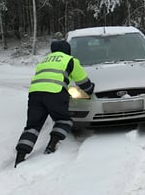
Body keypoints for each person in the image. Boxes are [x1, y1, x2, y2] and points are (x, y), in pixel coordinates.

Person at [14, 40, 94, 168]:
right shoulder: (70, 60)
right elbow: (83, 81)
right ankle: (52, 145)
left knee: (33, 126)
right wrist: (90, 89)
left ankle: (20, 156)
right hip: (55, 93)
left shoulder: (45, 60)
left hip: (35, 94)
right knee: (63, 120)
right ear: (67, 50)